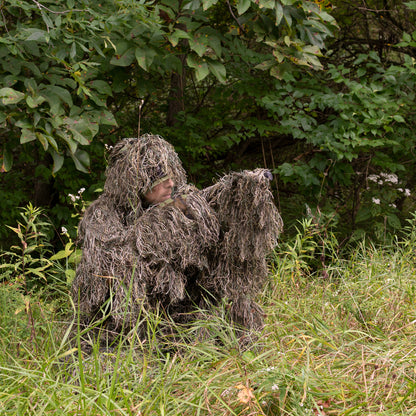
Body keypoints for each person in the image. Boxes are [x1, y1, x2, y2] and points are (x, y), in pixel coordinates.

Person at [71, 134, 283, 339]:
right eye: (160, 179)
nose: (170, 184)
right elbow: (113, 267)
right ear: (134, 181)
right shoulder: (103, 215)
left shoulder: (179, 201)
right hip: (129, 322)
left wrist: (241, 188)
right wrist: (162, 223)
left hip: (182, 308)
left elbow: (208, 202)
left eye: (171, 177)